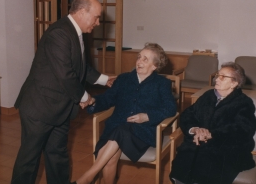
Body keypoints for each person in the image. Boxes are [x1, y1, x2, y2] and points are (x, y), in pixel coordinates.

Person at [11, 0, 115, 184]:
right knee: (29, 160)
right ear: (82, 12)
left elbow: (81, 68)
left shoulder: (76, 32)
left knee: (57, 156)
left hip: (60, 107)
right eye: (96, 17)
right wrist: (85, 97)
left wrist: (105, 80)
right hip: (39, 107)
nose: (98, 22)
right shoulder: (59, 33)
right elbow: (66, 74)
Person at [72, 43, 177, 184]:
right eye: (139, 57)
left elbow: (170, 108)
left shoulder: (162, 83)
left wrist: (146, 116)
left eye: (145, 59)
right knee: (110, 159)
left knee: (119, 132)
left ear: (155, 65)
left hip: (143, 132)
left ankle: (87, 178)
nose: (139, 61)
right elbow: (108, 99)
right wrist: (93, 101)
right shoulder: (123, 79)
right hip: (116, 128)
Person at [170, 62, 256, 184]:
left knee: (208, 171)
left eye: (223, 76)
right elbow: (188, 114)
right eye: (218, 75)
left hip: (227, 150)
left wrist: (211, 134)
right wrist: (195, 129)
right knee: (181, 168)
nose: (217, 78)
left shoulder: (244, 103)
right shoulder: (208, 96)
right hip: (197, 144)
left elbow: (243, 129)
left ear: (234, 83)